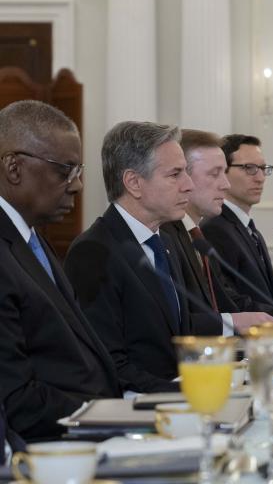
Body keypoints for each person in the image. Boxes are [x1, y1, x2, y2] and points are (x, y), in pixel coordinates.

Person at [0, 101, 120, 439]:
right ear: (14, 167)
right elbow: (16, 399)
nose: (77, 185)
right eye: (64, 170)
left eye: (78, 170)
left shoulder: (33, 237)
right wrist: (114, 418)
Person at [65, 122, 196, 393]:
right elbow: (108, 363)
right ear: (134, 183)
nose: (189, 185)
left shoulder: (166, 242)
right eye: (175, 174)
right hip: (134, 414)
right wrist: (183, 393)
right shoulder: (92, 252)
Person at [161, 130, 273, 330]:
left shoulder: (194, 236)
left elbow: (225, 299)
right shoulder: (165, 237)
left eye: (224, 172)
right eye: (214, 173)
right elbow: (173, 324)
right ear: (183, 177)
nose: (225, 185)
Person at [201, 134, 273, 309]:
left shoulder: (249, 229)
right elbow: (230, 302)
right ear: (223, 171)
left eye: (263, 168)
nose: (260, 177)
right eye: (250, 168)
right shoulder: (215, 229)